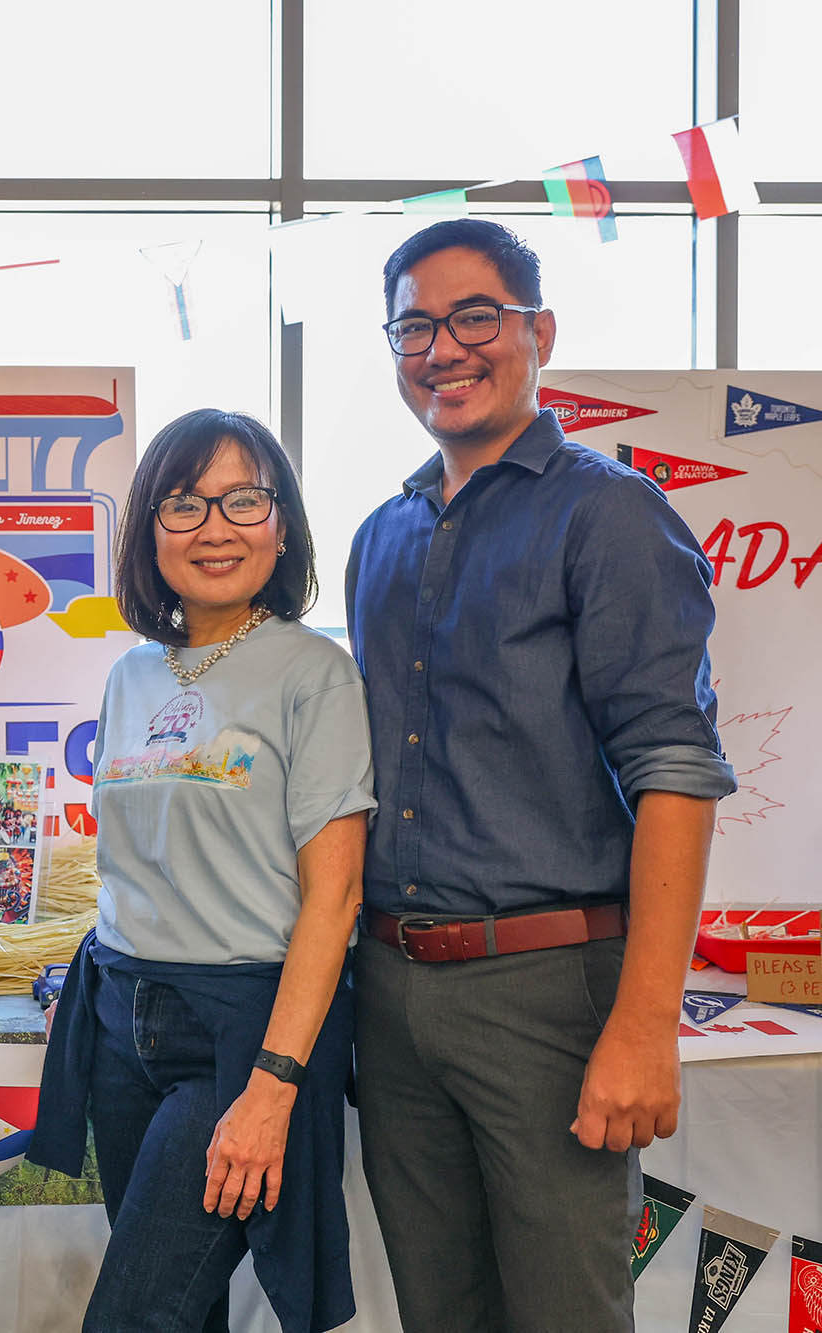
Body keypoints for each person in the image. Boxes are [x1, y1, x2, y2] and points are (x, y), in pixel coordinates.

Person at [347, 219, 735, 1332]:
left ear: (536, 333)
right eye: (414, 325)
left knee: (563, 1313)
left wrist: (642, 1025)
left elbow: (673, 767)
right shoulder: (382, 533)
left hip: (547, 992)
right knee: (437, 1311)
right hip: (392, 987)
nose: (444, 348)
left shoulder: (604, 511)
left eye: (476, 317)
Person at [30, 409, 371, 1333]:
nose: (214, 527)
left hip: (241, 1031)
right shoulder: (131, 675)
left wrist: (273, 1083)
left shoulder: (315, 674)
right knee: (187, 1310)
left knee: (135, 1316)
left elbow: (333, 898)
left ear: (282, 523)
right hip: (119, 1019)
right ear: (149, 529)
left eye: (242, 500)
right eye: (184, 504)